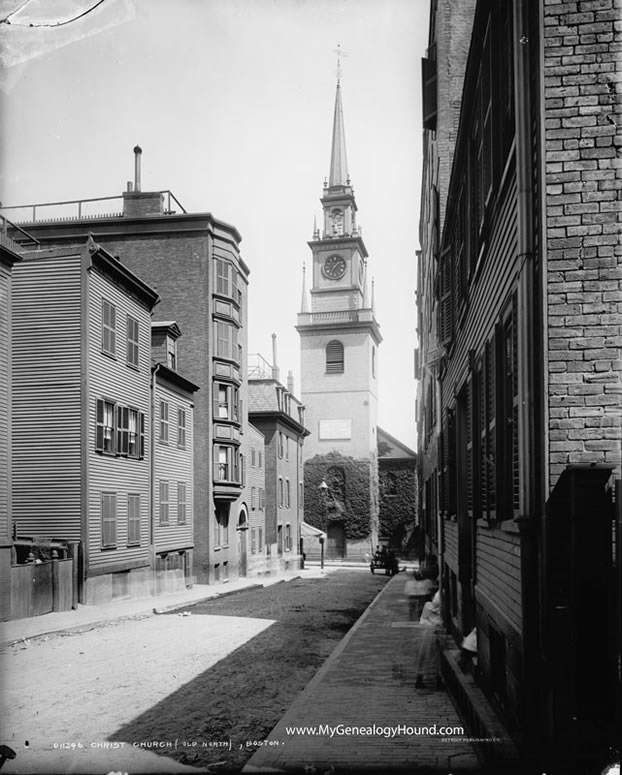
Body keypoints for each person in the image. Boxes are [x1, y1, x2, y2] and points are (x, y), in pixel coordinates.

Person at [413, 591, 442, 689]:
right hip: (434, 634)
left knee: (422, 657)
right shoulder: (441, 610)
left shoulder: (427, 606)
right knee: (435, 659)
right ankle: (437, 681)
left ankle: (419, 679)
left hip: (423, 633)